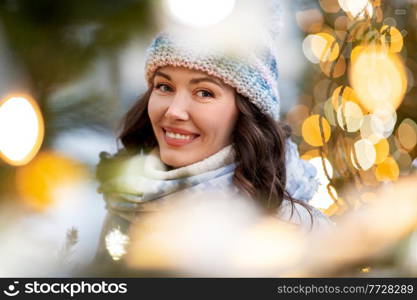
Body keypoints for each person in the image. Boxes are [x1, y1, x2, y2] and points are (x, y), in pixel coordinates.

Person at [93, 28, 334, 271]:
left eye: (204, 92)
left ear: (245, 112)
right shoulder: (126, 205)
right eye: (165, 86)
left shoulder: (293, 230)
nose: (174, 111)